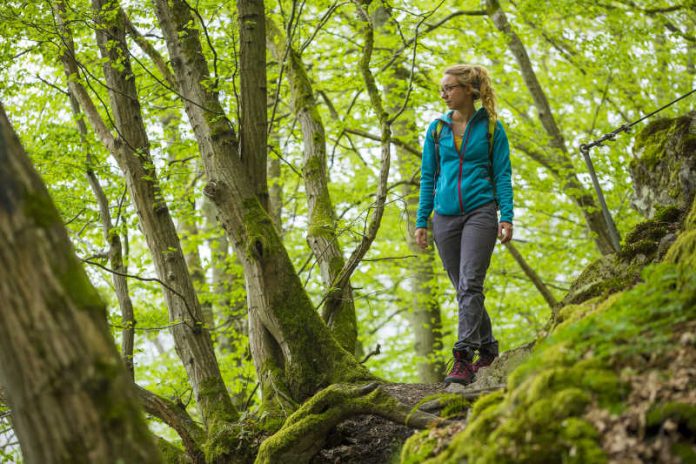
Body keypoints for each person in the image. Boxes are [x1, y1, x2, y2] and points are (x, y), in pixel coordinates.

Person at [415, 64, 514, 385]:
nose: (443, 93)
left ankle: (463, 358)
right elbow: (428, 176)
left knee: (471, 284)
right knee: (464, 289)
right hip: (444, 218)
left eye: (449, 88)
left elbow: (502, 174)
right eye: (442, 88)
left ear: (469, 90)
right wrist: (422, 220)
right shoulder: (437, 129)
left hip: (480, 213)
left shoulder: (492, 128)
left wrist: (507, 216)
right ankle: (488, 349)